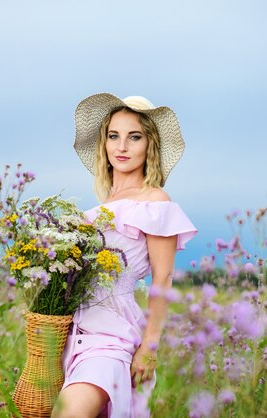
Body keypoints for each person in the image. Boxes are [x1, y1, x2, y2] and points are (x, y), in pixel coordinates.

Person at [51, 93, 198, 418]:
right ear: (103, 144)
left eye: (134, 137)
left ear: (149, 145)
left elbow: (163, 277)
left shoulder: (155, 201)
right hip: (73, 338)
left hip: (112, 336)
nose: (122, 146)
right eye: (113, 136)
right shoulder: (95, 210)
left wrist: (150, 347)